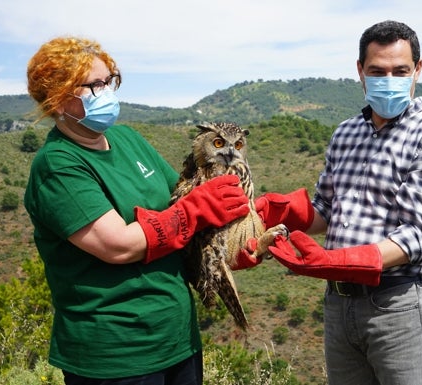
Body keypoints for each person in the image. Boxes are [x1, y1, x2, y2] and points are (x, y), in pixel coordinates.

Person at [23, 36, 252, 385]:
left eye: (108, 81)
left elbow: (181, 196)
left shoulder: (128, 139)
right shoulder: (58, 164)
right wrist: (195, 212)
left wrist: (240, 237)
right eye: (93, 85)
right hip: (114, 353)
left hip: (177, 340)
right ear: (57, 100)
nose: (106, 92)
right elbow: (118, 245)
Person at [255, 20, 422, 385]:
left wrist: (334, 261)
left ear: (418, 69)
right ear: (360, 72)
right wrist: (281, 215)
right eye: (377, 71)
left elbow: (416, 237)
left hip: (397, 306)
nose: (389, 79)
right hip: (338, 305)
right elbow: (326, 208)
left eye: (400, 71)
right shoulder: (346, 132)